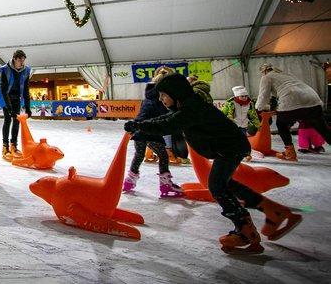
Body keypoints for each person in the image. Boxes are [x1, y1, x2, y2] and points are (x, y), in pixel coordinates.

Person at [124, 73, 302, 255]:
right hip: (229, 147)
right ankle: (274, 211)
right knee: (224, 184)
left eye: (163, 95)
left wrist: (139, 126)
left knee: (216, 186)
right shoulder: (186, 106)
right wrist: (140, 124)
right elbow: (164, 120)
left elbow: (168, 125)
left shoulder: (191, 108)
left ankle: (244, 230)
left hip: (230, 148)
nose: (161, 99)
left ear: (175, 93)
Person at [123, 70, 183, 198]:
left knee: (139, 155)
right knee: (163, 156)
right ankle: (165, 184)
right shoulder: (160, 98)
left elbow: (143, 114)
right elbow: (164, 116)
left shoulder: (148, 96)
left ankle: (129, 182)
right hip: (150, 130)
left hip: (140, 130)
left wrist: (136, 125)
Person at [256, 63, 331, 161]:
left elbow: (263, 96)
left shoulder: (266, 77)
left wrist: (258, 108)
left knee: (281, 124)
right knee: (323, 129)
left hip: (292, 101)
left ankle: (290, 153)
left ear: (264, 71)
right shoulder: (286, 74)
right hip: (313, 100)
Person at [0, 49, 32, 159]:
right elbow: (3, 90)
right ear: (14, 59)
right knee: (7, 119)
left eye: (23, 60)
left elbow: (26, 90)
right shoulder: (5, 70)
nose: (22, 62)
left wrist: (27, 107)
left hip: (17, 97)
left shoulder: (26, 71)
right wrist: (8, 107)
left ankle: (14, 146)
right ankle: (5, 146)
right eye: (20, 60)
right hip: (4, 96)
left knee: (17, 120)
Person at [221, 86, 260, 161]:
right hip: (233, 126)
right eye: (242, 96)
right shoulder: (230, 104)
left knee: (244, 140)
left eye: (246, 96)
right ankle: (231, 153)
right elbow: (223, 113)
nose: (245, 98)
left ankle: (246, 154)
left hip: (243, 126)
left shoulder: (250, 104)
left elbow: (253, 115)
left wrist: (257, 125)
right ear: (237, 96)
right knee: (232, 140)